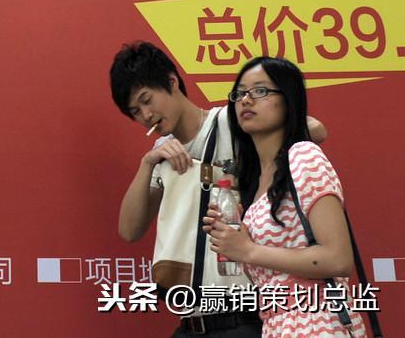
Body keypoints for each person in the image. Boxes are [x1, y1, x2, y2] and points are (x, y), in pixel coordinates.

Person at [110, 41, 327, 337]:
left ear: (172, 82)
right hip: (191, 319)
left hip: (244, 314)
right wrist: (148, 163)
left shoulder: (230, 121)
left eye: (147, 100)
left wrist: (242, 169)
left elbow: (315, 129)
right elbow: (129, 230)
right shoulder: (161, 153)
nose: (145, 115)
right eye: (135, 111)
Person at [202, 57, 369, 337]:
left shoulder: (303, 155)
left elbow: (338, 259)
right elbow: (270, 274)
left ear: (288, 100)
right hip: (276, 325)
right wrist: (236, 239)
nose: (246, 100)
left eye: (260, 91)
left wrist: (248, 250)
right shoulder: (255, 178)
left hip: (318, 323)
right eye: (239, 94)